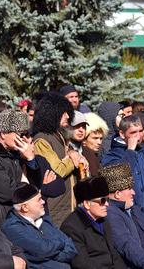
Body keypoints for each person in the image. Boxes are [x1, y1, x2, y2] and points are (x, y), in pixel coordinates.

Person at [101, 115, 144, 243]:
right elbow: (119, 180)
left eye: (140, 131)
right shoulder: (111, 156)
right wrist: (130, 151)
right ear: (122, 134)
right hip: (133, 224)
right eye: (133, 132)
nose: (138, 136)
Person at [32, 93, 87, 226]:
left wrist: (75, 154)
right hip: (54, 208)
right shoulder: (42, 140)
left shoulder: (59, 136)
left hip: (69, 206)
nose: (68, 116)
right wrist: (72, 158)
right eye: (64, 113)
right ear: (52, 113)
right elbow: (56, 171)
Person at [2, 183, 77, 268]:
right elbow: (42, 250)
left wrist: (50, 254)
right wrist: (61, 244)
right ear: (25, 207)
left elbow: (71, 248)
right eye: (39, 199)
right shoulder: (12, 227)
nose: (43, 202)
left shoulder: (43, 220)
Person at [60, 177, 126, 269]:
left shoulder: (102, 220)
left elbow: (114, 254)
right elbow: (82, 264)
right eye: (102, 201)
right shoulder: (71, 228)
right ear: (87, 204)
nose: (107, 204)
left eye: (107, 200)